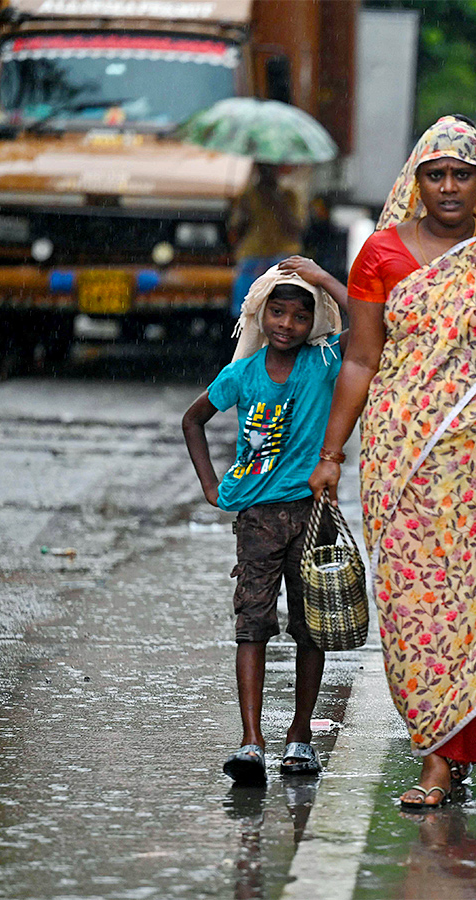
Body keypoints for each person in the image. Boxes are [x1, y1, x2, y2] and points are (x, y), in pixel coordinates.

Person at [305, 114, 476, 811]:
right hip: (403, 455)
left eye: (462, 174)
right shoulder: (381, 254)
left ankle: (442, 762)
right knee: (413, 611)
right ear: (416, 182)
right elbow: (363, 359)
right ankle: (442, 750)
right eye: (436, 174)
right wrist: (332, 454)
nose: (449, 186)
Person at [182, 256, 349, 785]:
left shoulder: (324, 362)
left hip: (312, 512)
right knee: (252, 626)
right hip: (255, 518)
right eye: (277, 313)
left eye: (301, 316)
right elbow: (193, 420)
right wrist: (212, 488)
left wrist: (323, 280)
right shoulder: (242, 373)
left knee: (311, 628)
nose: (287, 325)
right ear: (260, 316)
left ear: (313, 323)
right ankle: (251, 742)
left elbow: (374, 323)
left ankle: (300, 736)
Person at [230, 162, 307, 319]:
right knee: (245, 309)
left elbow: (297, 228)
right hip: (253, 256)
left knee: (283, 307)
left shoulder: (289, 195)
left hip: (282, 256)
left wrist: (279, 203)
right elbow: (236, 229)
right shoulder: (248, 195)